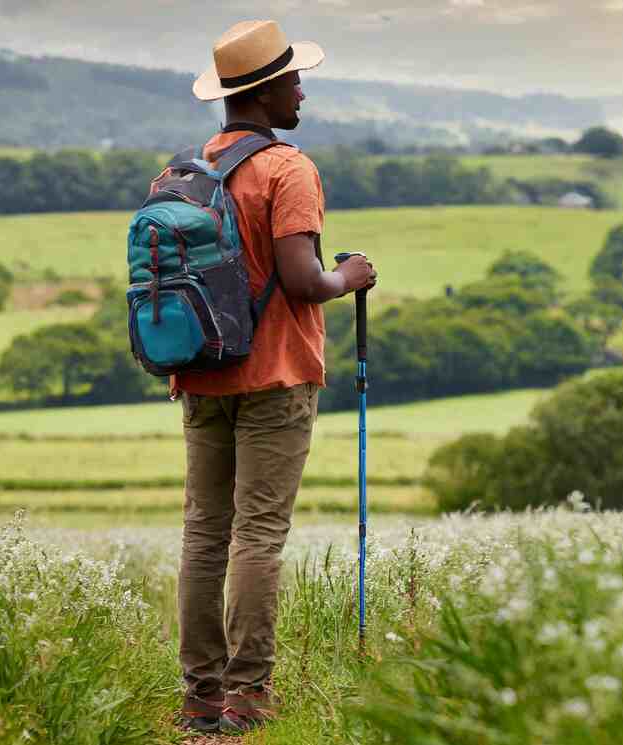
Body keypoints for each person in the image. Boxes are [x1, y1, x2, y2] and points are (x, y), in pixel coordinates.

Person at [176, 19, 377, 734]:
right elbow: (300, 281)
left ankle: (200, 696)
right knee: (259, 533)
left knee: (205, 533)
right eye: (293, 80)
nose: (301, 93)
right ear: (263, 94)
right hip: (277, 375)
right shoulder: (289, 169)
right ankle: (247, 698)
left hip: (200, 374)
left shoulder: (193, 169)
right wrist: (347, 274)